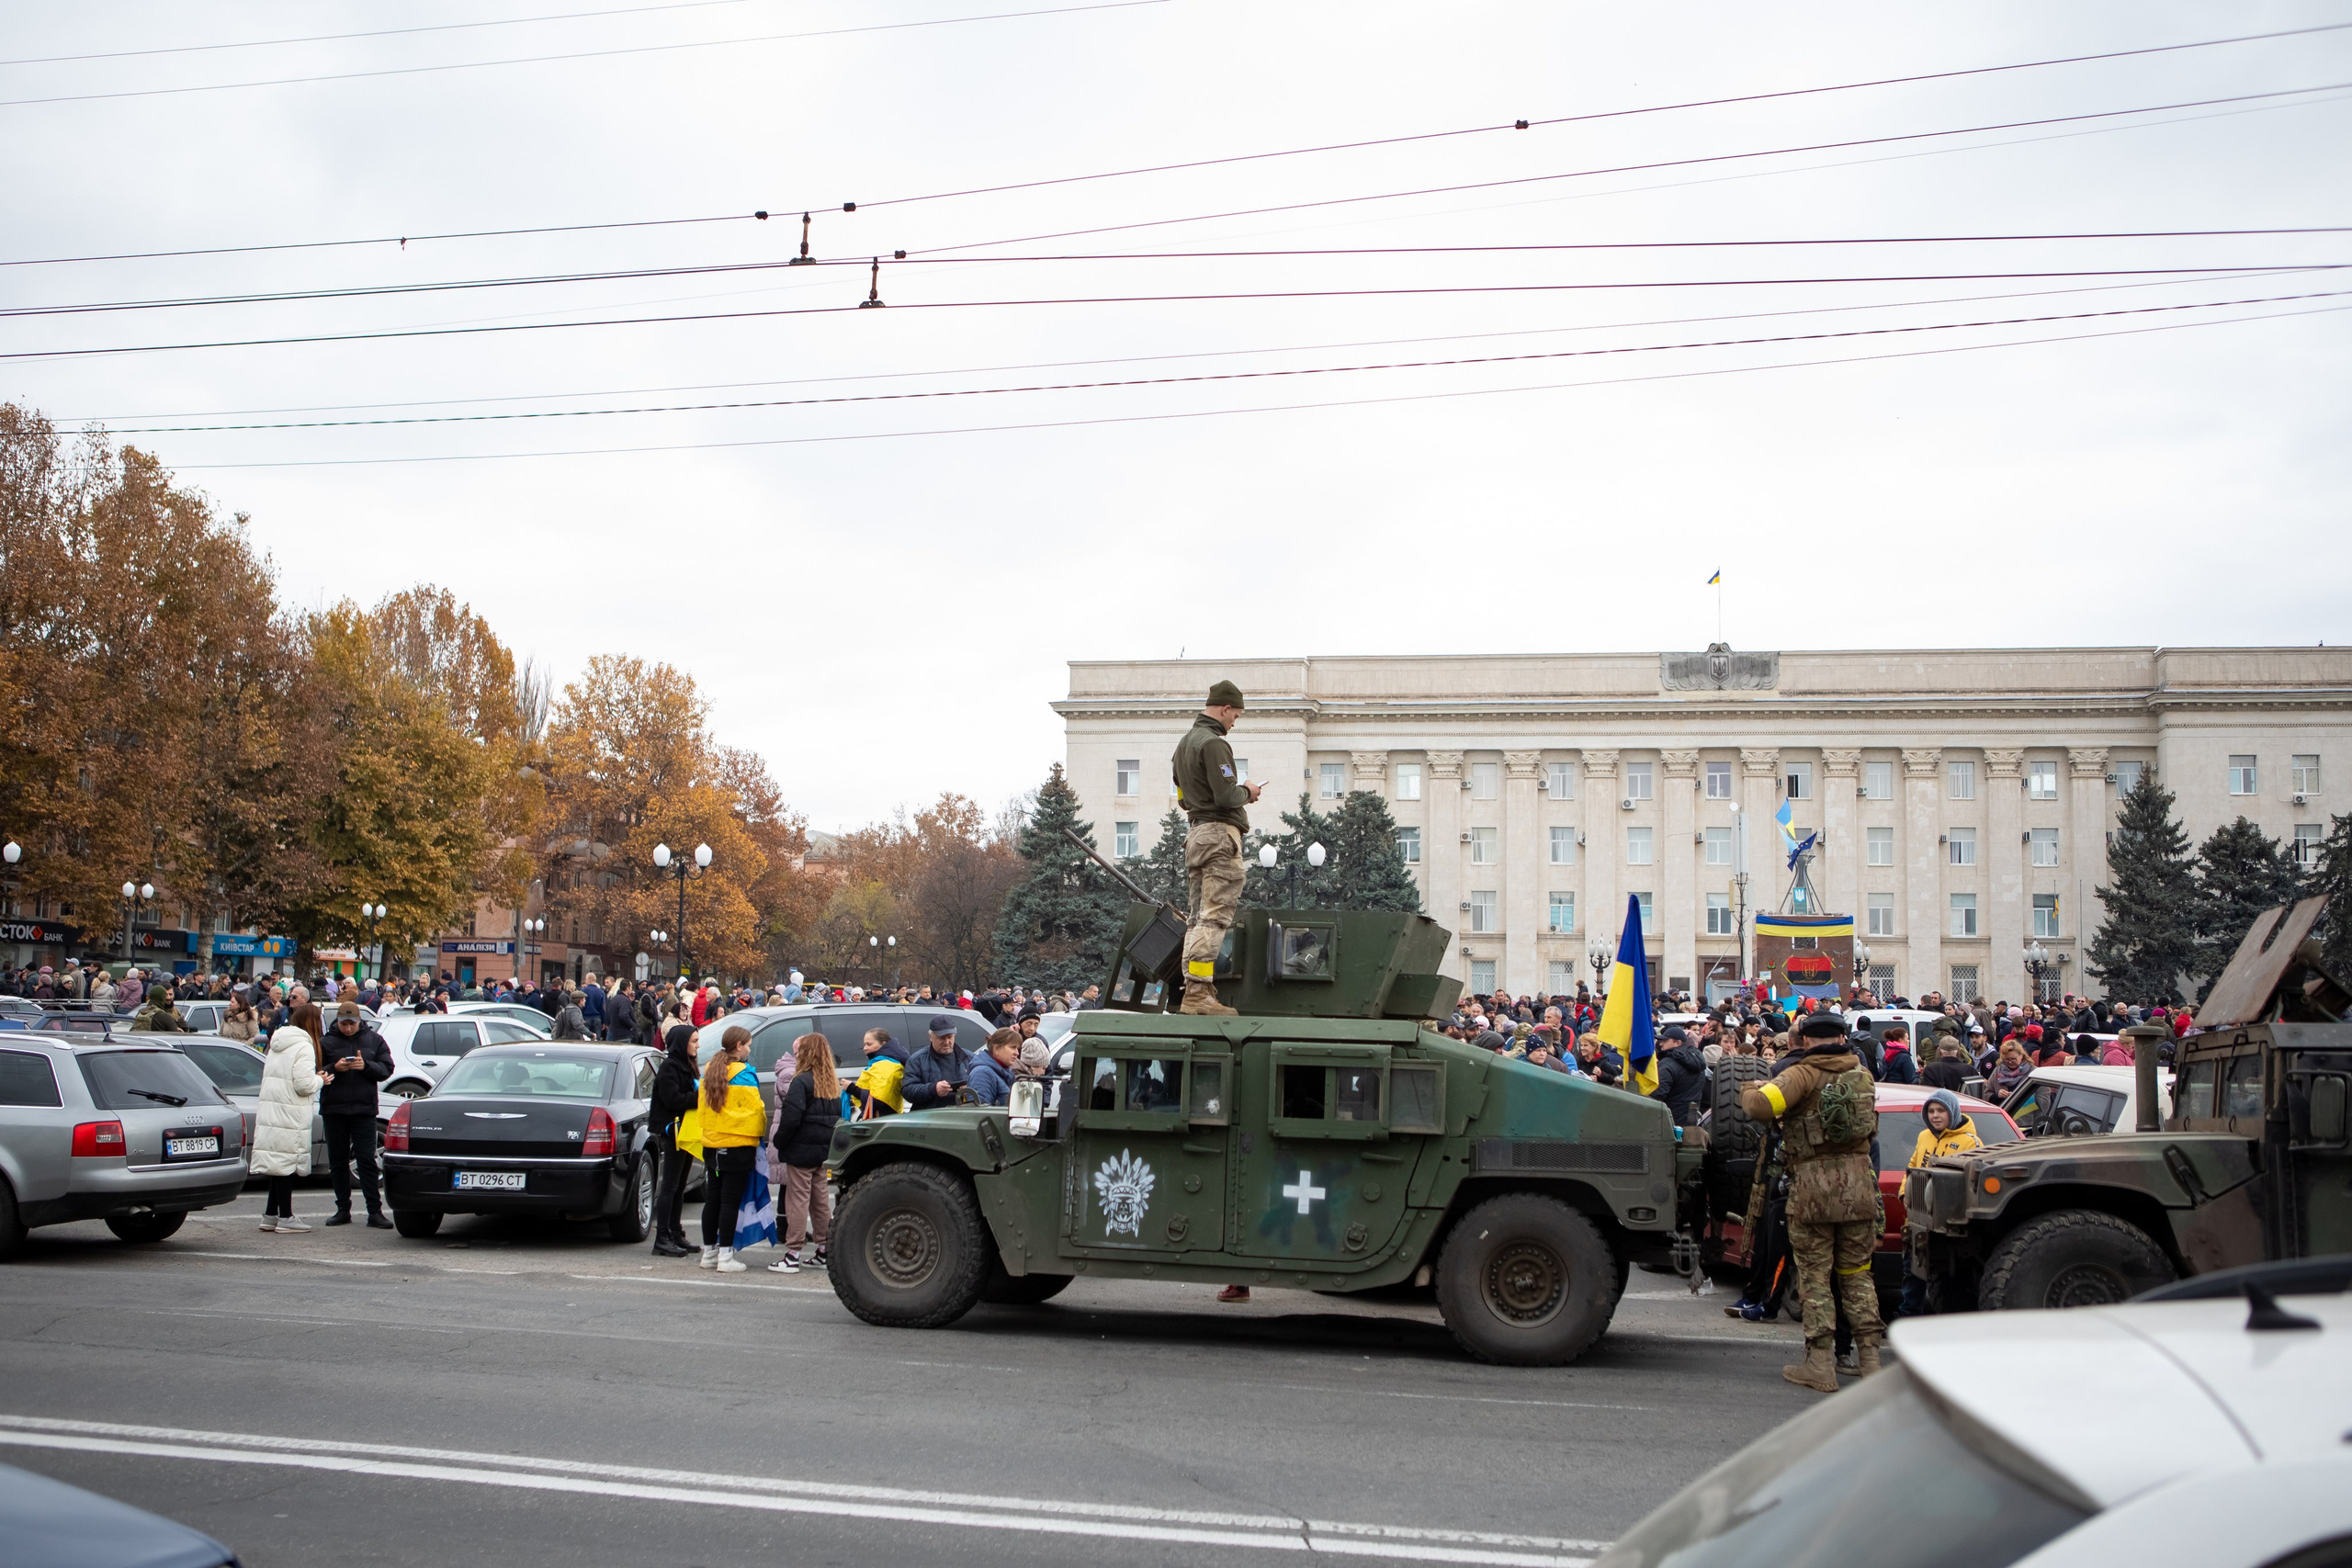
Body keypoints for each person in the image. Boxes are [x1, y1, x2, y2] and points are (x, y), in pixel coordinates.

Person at [1738, 1012, 1885, 1393]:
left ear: (1804, 1040)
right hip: (1859, 1188)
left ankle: (1820, 1366)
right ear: (1842, 1038)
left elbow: (1759, 1106)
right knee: (1858, 1276)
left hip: (1813, 1192)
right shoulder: (1862, 1075)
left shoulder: (1801, 1074)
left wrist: (1750, 1086)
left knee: (1816, 1277)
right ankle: (1871, 1361)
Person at [1169, 679, 1264, 1016]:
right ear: (1225, 709)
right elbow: (1226, 796)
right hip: (1220, 836)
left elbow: (1183, 798)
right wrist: (1248, 791)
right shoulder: (1214, 744)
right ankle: (1198, 994)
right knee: (1214, 918)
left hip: (1196, 835)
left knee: (1197, 919)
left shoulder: (1183, 746)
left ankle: (1195, 990)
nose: (1234, 722)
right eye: (1235, 715)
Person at [317, 998, 394, 1227]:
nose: (348, 1028)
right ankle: (343, 1209)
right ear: (338, 1022)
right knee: (338, 1161)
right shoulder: (326, 1042)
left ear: (360, 1021)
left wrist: (366, 1066)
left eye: (352, 1024)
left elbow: (387, 1069)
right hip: (334, 1109)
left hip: (364, 1109)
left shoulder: (374, 1040)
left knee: (367, 1160)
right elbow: (315, 1072)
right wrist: (334, 1068)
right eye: (344, 1024)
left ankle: (375, 1212)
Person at [767, 1033, 840, 1273]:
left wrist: (780, 1142)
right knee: (820, 1201)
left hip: (800, 1150)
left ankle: (792, 1254)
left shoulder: (801, 1081)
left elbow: (791, 1118)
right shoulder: (830, 1081)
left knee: (797, 1201)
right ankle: (824, 1249)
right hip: (823, 1150)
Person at [697, 1024, 764, 1272]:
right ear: (738, 1046)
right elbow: (755, 1112)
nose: (749, 1050)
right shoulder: (745, 1074)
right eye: (748, 1045)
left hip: (712, 1146)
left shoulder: (710, 1070)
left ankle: (709, 1254)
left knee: (713, 1200)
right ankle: (726, 1256)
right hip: (737, 1147)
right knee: (730, 1202)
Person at [253, 1022, 323, 1233]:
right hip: (290, 1112)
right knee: (286, 1164)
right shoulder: (303, 1046)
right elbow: (304, 1085)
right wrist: (320, 1079)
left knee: (278, 1163)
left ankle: (270, 1215)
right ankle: (285, 1217)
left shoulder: (277, 1045)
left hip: (273, 1111)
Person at [648, 1001, 700, 1258]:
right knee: (669, 1185)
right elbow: (672, 1100)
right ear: (681, 1043)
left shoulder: (687, 1064)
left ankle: (676, 1231)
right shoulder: (670, 1066)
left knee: (680, 1185)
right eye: (694, 1041)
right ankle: (663, 1236)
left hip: (686, 1130)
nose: (697, 1046)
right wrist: (699, 1097)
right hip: (674, 1131)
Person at [902, 1017, 972, 1111]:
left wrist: (970, 1090)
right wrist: (932, 1089)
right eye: (942, 1038)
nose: (946, 1042)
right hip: (930, 1117)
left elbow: (984, 1087)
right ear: (930, 1037)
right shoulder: (917, 1060)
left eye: (950, 1037)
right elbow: (907, 1091)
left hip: (963, 1115)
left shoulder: (969, 1058)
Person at [1651, 1025, 1707, 1123]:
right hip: (1692, 1121)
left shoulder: (1668, 1063)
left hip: (1669, 1122)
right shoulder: (1699, 1063)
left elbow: (1657, 1096)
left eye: (1665, 1040)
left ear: (1678, 1043)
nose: (1661, 1043)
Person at [852, 1029, 908, 1118]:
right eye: (864, 1044)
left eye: (869, 1044)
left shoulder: (887, 1065)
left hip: (882, 1119)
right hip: (883, 1117)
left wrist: (852, 1089)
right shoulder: (880, 1063)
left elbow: (877, 1100)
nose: (865, 1048)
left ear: (883, 1044)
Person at [968, 1027, 1022, 1106]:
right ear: (996, 1049)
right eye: (1012, 1047)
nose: (1017, 1053)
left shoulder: (1005, 1072)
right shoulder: (982, 1073)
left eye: (1017, 1048)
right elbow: (980, 1111)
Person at [130, 989, 194, 1032]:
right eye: (165, 996)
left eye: (170, 994)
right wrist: (185, 1030)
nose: (168, 998)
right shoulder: (165, 1017)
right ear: (162, 998)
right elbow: (176, 1039)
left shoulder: (141, 1012)